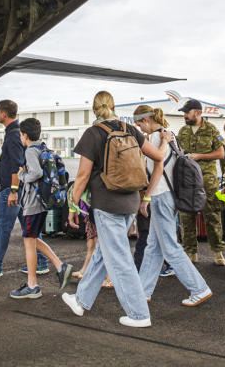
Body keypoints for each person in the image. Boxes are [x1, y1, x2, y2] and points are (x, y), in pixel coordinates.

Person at [61, 91, 170, 328]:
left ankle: (139, 314)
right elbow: (159, 157)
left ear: (94, 110)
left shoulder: (93, 133)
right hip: (130, 202)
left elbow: (82, 176)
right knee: (104, 252)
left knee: (119, 259)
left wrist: (73, 204)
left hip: (107, 204)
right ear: (113, 106)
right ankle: (80, 300)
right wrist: (165, 140)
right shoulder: (130, 129)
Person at [134, 105, 212, 306]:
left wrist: (146, 197)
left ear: (146, 120)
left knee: (169, 247)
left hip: (160, 195)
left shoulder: (153, 138)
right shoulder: (170, 135)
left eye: (139, 124)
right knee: (154, 247)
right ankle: (142, 292)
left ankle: (199, 288)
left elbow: (157, 169)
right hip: (171, 195)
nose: (140, 129)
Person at [0, 100, 45, 278]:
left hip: (12, 191)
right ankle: (41, 263)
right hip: (21, 190)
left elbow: (16, 165)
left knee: (3, 227)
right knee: (29, 228)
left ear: (4, 114)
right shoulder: (15, 133)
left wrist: (13, 191)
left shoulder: (13, 135)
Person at [9, 118, 73, 299]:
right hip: (43, 201)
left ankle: (32, 285)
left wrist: (22, 175)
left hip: (33, 203)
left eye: (21, 134)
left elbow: (35, 173)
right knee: (32, 238)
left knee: (29, 241)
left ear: (25, 135)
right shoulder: (42, 147)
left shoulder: (30, 150)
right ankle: (60, 266)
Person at [176, 99, 225, 265]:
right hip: (187, 180)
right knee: (186, 216)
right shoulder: (183, 131)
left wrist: (199, 156)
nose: (184, 115)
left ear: (197, 112)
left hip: (207, 180)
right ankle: (190, 252)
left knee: (212, 216)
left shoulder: (212, 129)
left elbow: (220, 154)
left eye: (187, 112)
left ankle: (218, 252)